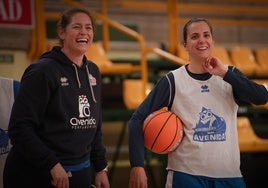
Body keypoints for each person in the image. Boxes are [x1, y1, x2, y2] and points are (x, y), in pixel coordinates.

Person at [128, 18, 268, 188]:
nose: (202, 40)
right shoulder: (173, 81)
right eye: (194, 36)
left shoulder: (229, 75)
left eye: (206, 35)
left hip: (229, 175)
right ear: (185, 45)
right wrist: (137, 165)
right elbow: (137, 119)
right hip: (186, 175)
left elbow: (261, 97)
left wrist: (225, 74)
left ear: (212, 41)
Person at [3, 8, 110, 188]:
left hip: (80, 172)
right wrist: (51, 163)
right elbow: (19, 128)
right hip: (39, 173)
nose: (84, 32)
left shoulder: (93, 71)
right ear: (61, 32)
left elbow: (94, 125)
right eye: (77, 27)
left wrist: (100, 168)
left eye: (89, 28)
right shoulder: (42, 72)